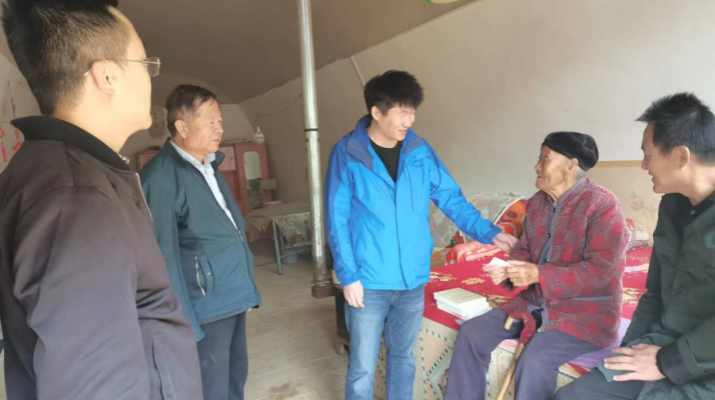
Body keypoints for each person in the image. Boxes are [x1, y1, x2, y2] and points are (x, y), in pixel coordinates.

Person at [0, 1, 202, 399]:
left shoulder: (58, 171)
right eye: (146, 63)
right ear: (107, 76)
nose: (151, 76)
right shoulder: (77, 201)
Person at [325, 70, 519, 400]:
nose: (409, 121)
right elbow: (337, 218)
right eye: (402, 112)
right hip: (369, 279)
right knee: (362, 367)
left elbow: (450, 198)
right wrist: (348, 275)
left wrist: (489, 232)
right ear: (376, 112)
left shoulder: (418, 150)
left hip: (413, 278)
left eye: (413, 112)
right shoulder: (348, 153)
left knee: (403, 358)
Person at [445, 132, 629, 400]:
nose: (537, 166)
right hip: (532, 304)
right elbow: (524, 249)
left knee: (535, 360)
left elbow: (602, 271)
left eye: (545, 158)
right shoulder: (537, 203)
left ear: (570, 166)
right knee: (472, 332)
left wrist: (538, 274)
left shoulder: (602, 204)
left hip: (582, 315)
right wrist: (512, 270)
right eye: (539, 157)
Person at [556, 93, 715, 400]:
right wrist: (627, 350)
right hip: (663, 342)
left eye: (647, 155)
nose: (643, 165)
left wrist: (667, 362)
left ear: (681, 156)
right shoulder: (672, 206)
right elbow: (654, 292)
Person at [141, 84, 261, 400]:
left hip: (231, 296)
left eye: (220, 120)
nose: (219, 128)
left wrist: (245, 289)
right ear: (182, 127)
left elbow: (228, 230)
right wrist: (182, 320)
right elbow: (162, 255)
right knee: (212, 388)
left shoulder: (209, 165)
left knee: (235, 377)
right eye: (210, 121)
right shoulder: (160, 177)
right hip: (204, 306)